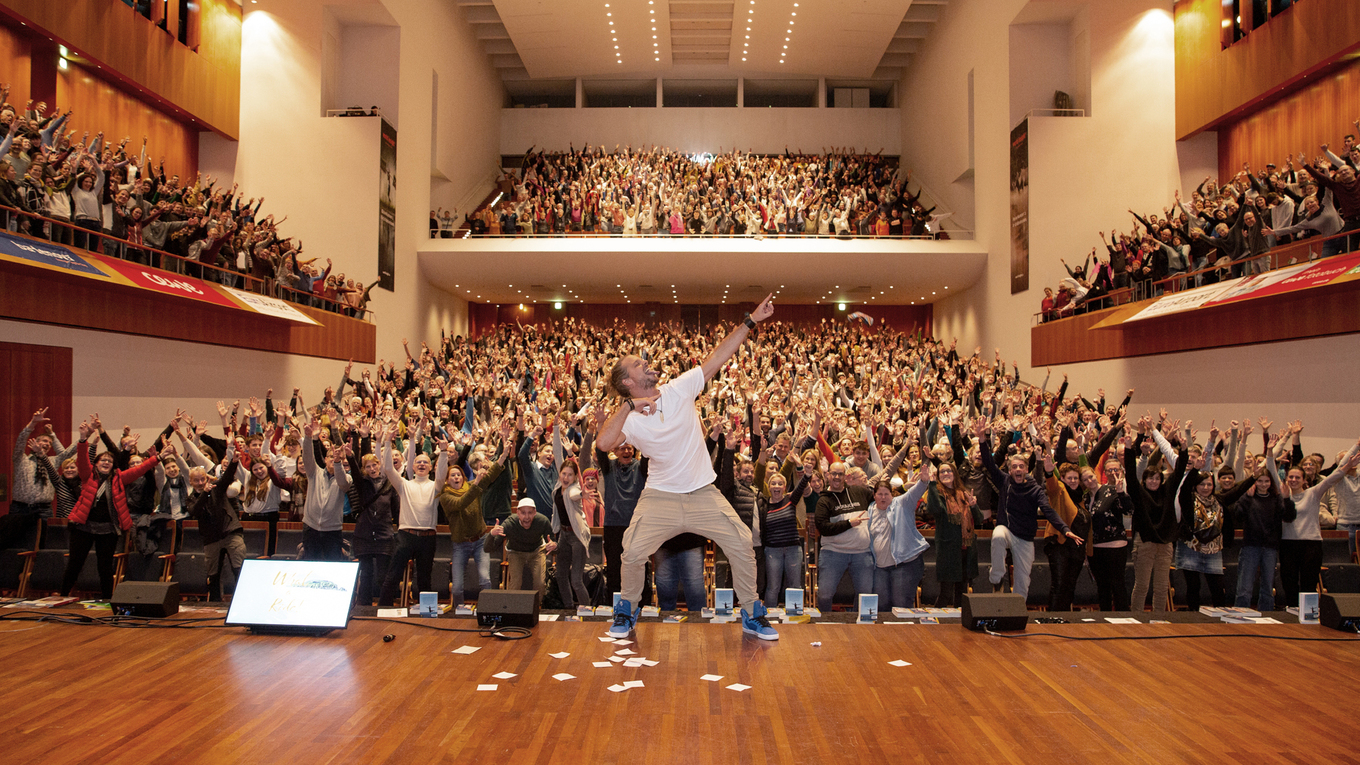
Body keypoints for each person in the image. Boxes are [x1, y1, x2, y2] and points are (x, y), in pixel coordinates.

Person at [596, 294, 780, 640]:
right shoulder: (630, 418)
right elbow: (604, 444)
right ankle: (626, 611)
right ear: (626, 382)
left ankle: (752, 613)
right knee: (632, 552)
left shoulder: (679, 389)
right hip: (660, 497)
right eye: (638, 364)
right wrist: (628, 406)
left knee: (741, 542)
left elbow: (717, 358)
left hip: (702, 493)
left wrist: (751, 321)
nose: (647, 363)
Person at [974, 419, 1082, 601]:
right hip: (1006, 529)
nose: (1017, 469)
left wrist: (1065, 529)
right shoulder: (1004, 481)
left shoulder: (1035, 489)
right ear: (1009, 470)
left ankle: (1017, 612)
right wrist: (982, 440)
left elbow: (1048, 510)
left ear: (1026, 470)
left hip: (1025, 538)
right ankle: (997, 573)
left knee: (1023, 581)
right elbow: (989, 464)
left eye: (1021, 467)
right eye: (1014, 467)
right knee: (998, 535)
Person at [63, 421, 161, 599]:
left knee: (105, 566)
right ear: (97, 463)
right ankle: (62, 595)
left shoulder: (119, 478)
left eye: (109, 461)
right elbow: (82, 460)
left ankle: (108, 599)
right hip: (83, 528)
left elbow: (139, 470)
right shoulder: (87, 475)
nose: (106, 463)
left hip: (108, 529)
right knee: (75, 563)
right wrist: (83, 439)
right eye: (103, 460)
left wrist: (157, 459)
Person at [376, 419, 449, 607]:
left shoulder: (436, 486)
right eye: (418, 462)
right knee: (393, 574)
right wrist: (386, 441)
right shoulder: (403, 485)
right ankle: (384, 608)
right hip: (405, 536)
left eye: (426, 462)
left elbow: (442, 474)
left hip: (428, 537)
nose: (422, 464)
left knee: (425, 578)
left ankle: (427, 611)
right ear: (413, 467)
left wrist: (443, 452)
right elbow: (388, 468)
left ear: (430, 467)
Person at [867, 467, 932, 610]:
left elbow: (914, 493)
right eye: (880, 494)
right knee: (881, 604)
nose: (883, 497)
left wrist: (924, 481)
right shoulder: (870, 510)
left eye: (886, 494)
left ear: (892, 495)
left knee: (901, 604)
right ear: (874, 495)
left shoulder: (902, 503)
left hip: (904, 564)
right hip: (880, 567)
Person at [926, 461, 983, 607]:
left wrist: (973, 506)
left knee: (962, 592)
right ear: (938, 476)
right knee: (946, 593)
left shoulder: (964, 494)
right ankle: (938, 626)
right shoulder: (937, 493)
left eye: (949, 471)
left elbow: (979, 520)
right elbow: (935, 510)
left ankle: (961, 624)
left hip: (966, 549)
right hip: (948, 549)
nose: (946, 474)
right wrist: (931, 484)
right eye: (942, 472)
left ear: (954, 474)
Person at [485, 497, 556, 594]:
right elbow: (488, 548)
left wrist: (554, 546)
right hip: (515, 552)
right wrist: (491, 534)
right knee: (515, 582)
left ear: (535, 512)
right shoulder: (509, 523)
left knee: (539, 583)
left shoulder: (542, 521)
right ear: (517, 513)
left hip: (536, 551)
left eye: (530, 513)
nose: (526, 517)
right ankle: (512, 608)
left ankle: (537, 607)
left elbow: (554, 545)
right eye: (523, 513)